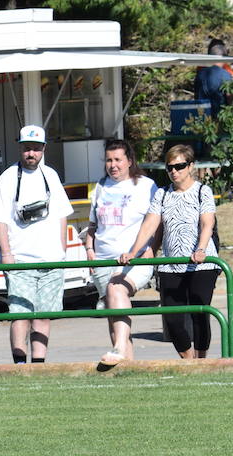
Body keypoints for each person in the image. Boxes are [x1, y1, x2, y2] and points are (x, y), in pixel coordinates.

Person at [0, 125, 74, 364]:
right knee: (20, 315)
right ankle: (19, 363)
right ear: (20, 148)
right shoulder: (8, 177)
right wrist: (6, 254)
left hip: (51, 259)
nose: (31, 154)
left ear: (44, 149)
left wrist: (61, 251)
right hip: (20, 260)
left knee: (43, 316)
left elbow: (62, 215)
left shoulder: (51, 176)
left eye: (35, 149)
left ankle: (39, 364)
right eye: (26, 149)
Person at [119, 144, 219, 360]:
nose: (174, 171)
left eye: (179, 166)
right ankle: (189, 361)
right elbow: (149, 224)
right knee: (172, 320)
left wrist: (201, 249)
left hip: (201, 263)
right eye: (170, 167)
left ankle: (201, 362)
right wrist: (133, 252)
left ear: (191, 166)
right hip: (171, 264)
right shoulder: (162, 194)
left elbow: (207, 223)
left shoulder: (203, 191)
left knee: (199, 314)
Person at [84, 140, 157, 367]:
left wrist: (152, 249)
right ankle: (128, 368)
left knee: (116, 289)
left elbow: (156, 222)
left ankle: (117, 350)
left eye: (118, 160)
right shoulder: (101, 187)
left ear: (129, 161)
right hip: (104, 258)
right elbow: (93, 226)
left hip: (135, 258)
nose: (113, 165)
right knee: (115, 319)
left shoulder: (146, 186)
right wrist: (89, 251)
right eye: (109, 160)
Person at [194, 39, 233, 119]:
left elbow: (196, 96)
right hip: (221, 117)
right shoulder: (225, 75)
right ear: (224, 55)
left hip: (202, 117)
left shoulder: (200, 74)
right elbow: (230, 98)